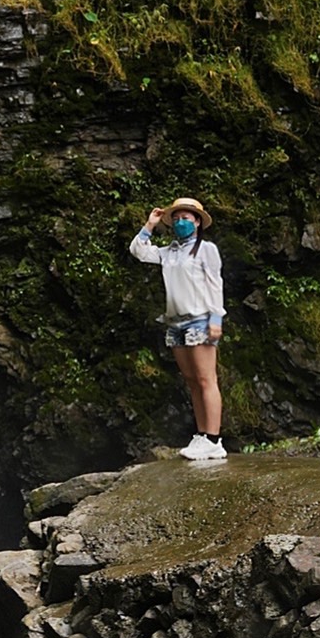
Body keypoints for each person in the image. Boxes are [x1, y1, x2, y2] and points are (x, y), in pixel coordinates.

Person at [130, 197, 227, 460]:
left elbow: (215, 284)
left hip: (201, 319)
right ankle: (201, 434)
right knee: (192, 381)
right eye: (176, 218)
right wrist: (150, 224)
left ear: (197, 221)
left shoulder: (206, 249)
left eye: (187, 218)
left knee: (207, 379)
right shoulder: (169, 252)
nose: (181, 222)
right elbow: (139, 251)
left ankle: (213, 439)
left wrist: (216, 319)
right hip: (175, 321)